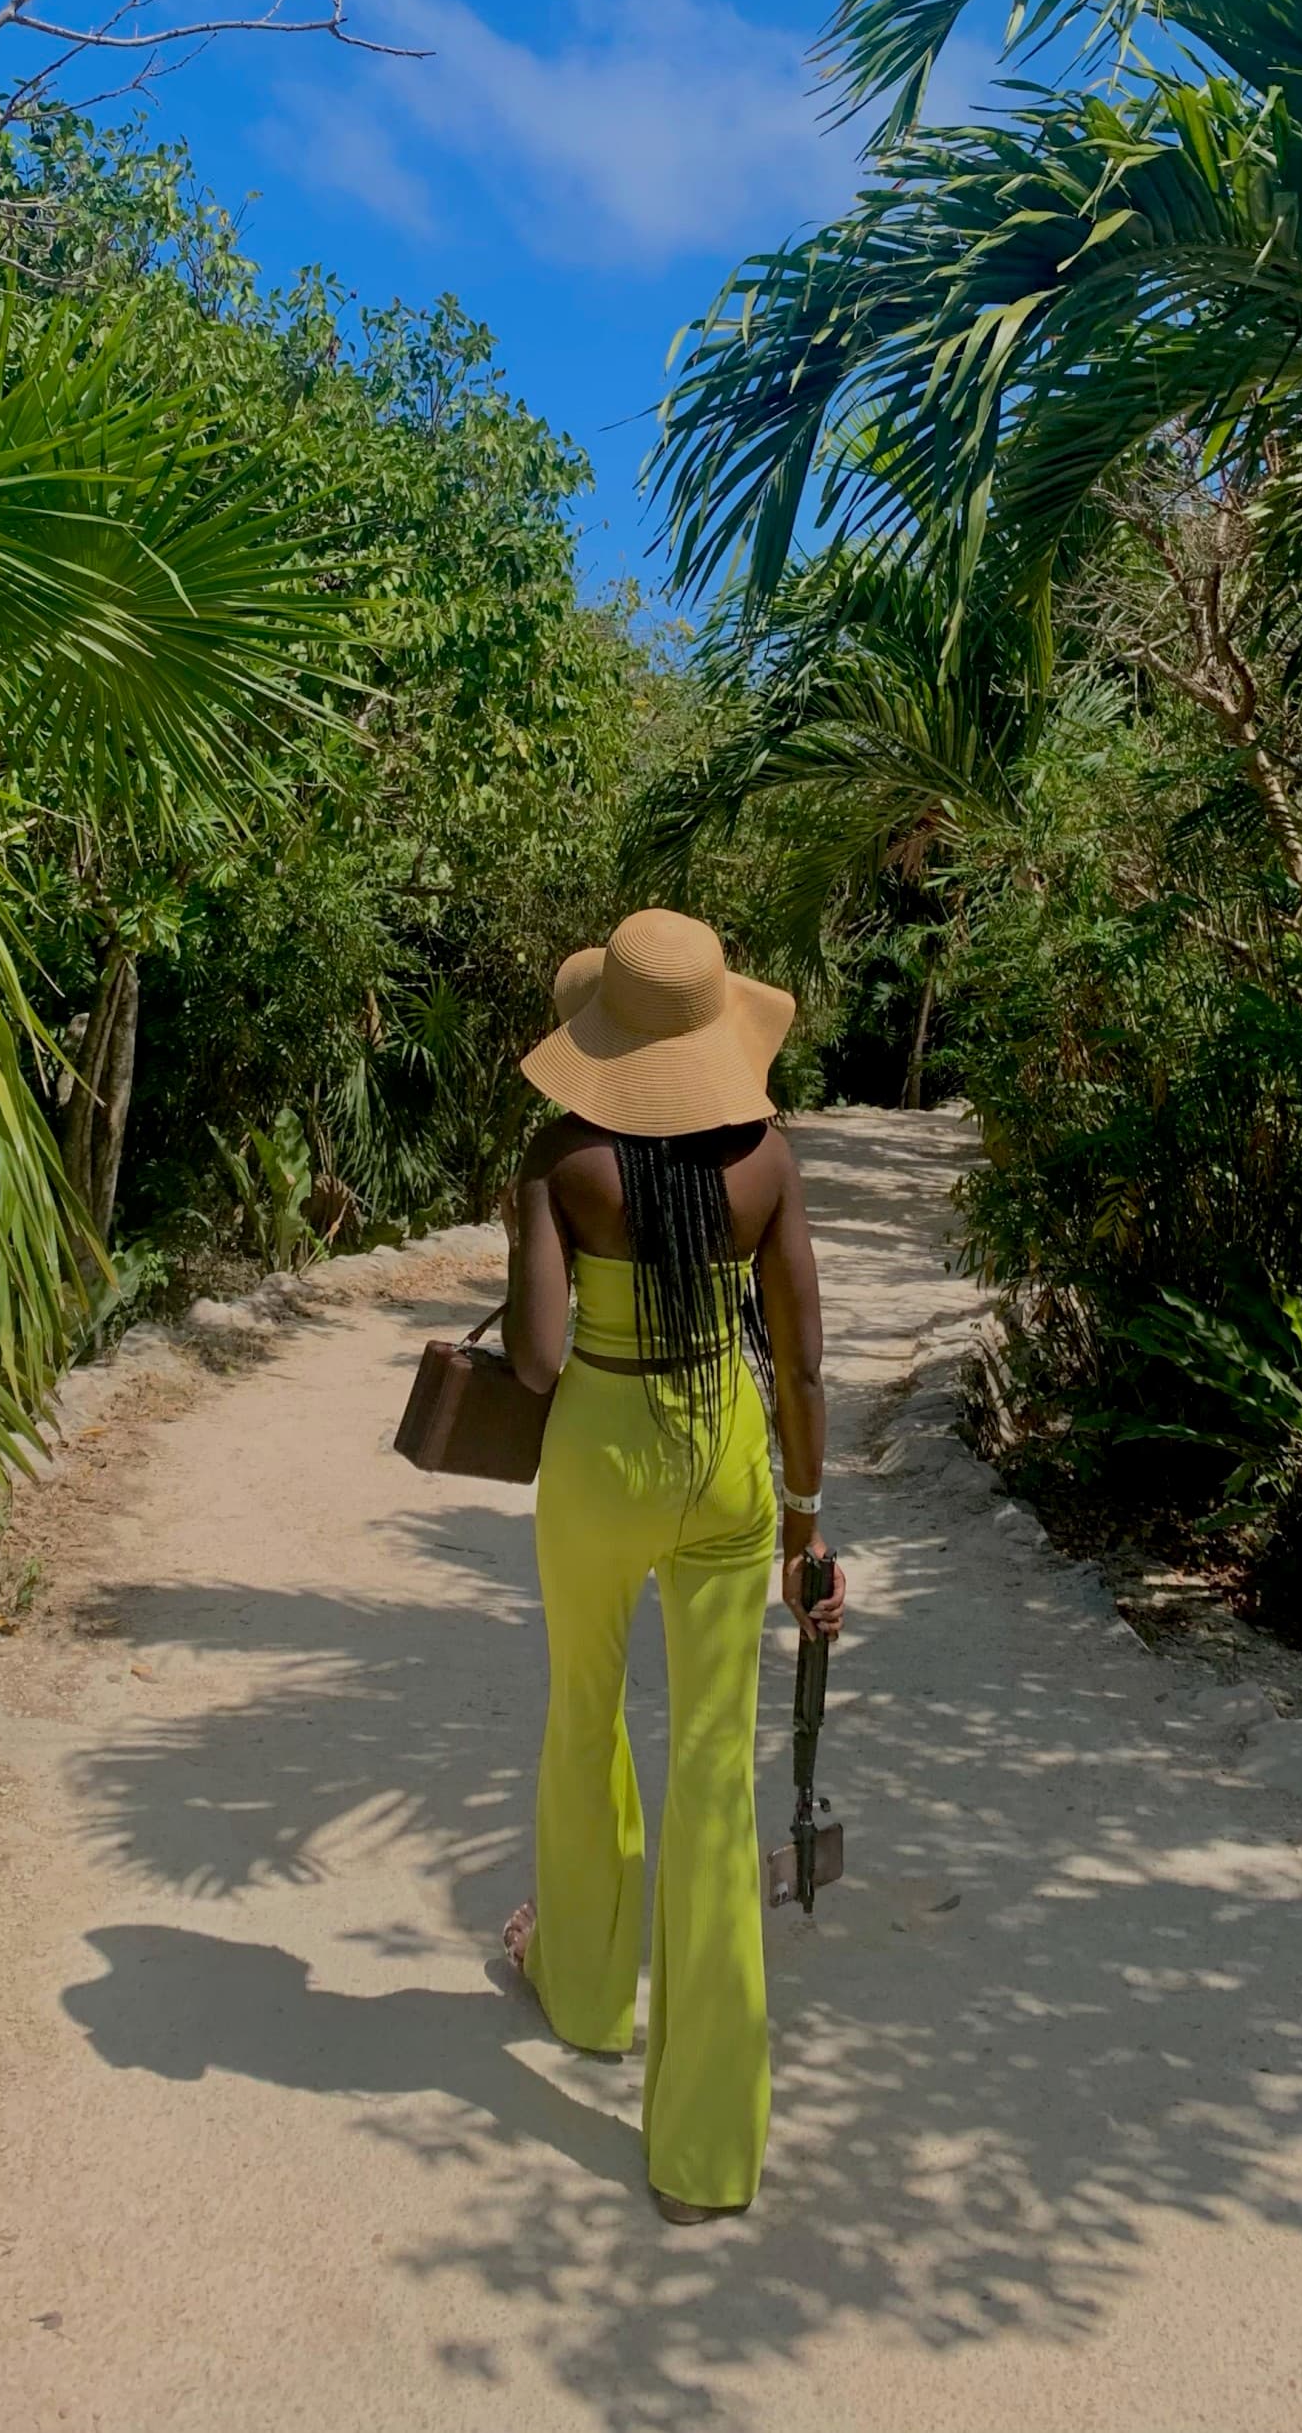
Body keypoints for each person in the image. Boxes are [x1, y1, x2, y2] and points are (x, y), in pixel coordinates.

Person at [498, 907, 842, 2224]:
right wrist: (804, 1531)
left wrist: (526, 1215)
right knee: (715, 1779)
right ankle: (705, 2149)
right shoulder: (767, 1160)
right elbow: (802, 1363)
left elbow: (535, 1361)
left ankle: (583, 1996)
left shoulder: (559, 1156)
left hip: (597, 1460)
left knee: (584, 1715)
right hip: (726, 1464)